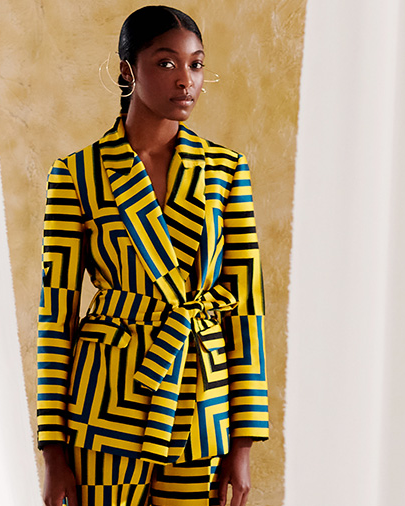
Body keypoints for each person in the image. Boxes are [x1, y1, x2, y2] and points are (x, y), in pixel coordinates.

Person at [36, 6, 268, 506]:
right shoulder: (77, 175)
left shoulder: (226, 171)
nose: (186, 80)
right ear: (127, 70)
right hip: (104, 406)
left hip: (200, 405)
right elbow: (56, 314)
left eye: (196, 65)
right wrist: (53, 454)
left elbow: (246, 307)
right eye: (166, 63)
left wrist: (243, 442)